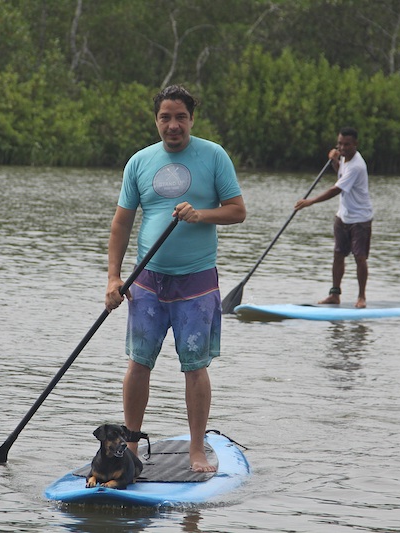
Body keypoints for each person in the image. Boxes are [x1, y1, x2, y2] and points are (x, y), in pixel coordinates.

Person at [105, 85, 246, 473]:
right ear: (156, 120)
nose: (173, 125)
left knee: (194, 367)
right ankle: (131, 447)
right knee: (138, 364)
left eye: (180, 117)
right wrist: (114, 278)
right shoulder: (139, 162)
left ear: (191, 119)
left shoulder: (213, 156)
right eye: (165, 117)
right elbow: (121, 223)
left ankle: (197, 450)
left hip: (196, 284)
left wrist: (201, 214)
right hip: (147, 282)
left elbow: (237, 211)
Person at [294, 127, 373, 308]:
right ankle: (334, 295)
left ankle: (361, 297)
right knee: (338, 254)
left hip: (360, 218)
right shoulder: (344, 159)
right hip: (343, 215)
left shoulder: (357, 165)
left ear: (355, 144)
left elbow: (336, 189)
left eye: (347, 144)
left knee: (360, 257)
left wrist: (310, 201)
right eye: (340, 144)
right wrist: (335, 162)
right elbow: (341, 174)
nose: (342, 148)